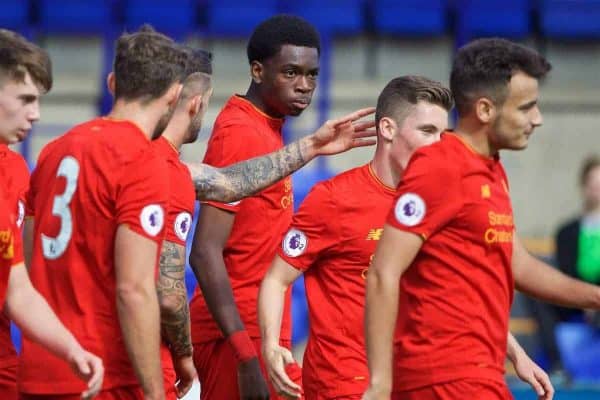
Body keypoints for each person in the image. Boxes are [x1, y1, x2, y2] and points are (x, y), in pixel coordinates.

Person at [22, 23, 374, 400]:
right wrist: (179, 363)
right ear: (178, 96)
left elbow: (227, 182)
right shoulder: (148, 164)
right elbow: (148, 289)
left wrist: (310, 146)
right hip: (109, 367)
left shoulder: (54, 151)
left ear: (111, 83)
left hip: (45, 363)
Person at [258, 76, 553, 400]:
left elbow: (458, 295)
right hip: (345, 383)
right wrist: (272, 344)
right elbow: (277, 278)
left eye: (444, 134)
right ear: (387, 129)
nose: (439, 144)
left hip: (415, 378)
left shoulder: (443, 201)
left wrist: (515, 353)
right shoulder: (334, 199)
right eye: (427, 131)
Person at [188, 14, 321, 400]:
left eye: (312, 75)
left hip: (261, 325)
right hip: (238, 335)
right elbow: (205, 251)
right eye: (291, 73)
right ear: (258, 70)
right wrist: (246, 354)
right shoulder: (241, 134)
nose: (304, 86)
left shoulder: (266, 128)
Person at [0, 29, 104, 399]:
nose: (36, 114)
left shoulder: (13, 171)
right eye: (26, 99)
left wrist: (70, 348)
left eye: (39, 101)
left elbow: (18, 289)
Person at [149, 48, 213, 399]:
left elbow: (228, 181)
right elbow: (170, 296)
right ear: (195, 102)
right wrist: (185, 356)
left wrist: (309, 147)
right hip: (143, 365)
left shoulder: (116, 155)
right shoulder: (170, 174)